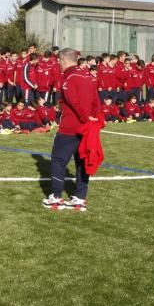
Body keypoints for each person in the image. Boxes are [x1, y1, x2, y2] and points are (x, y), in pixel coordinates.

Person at [45, 48, 98, 212]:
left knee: (58, 160)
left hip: (71, 125)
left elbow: (72, 100)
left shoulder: (68, 76)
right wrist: (93, 118)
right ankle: (80, 198)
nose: (59, 64)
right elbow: (96, 99)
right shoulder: (88, 75)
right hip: (87, 126)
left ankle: (56, 196)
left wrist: (83, 117)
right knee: (82, 161)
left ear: (63, 60)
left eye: (59, 61)